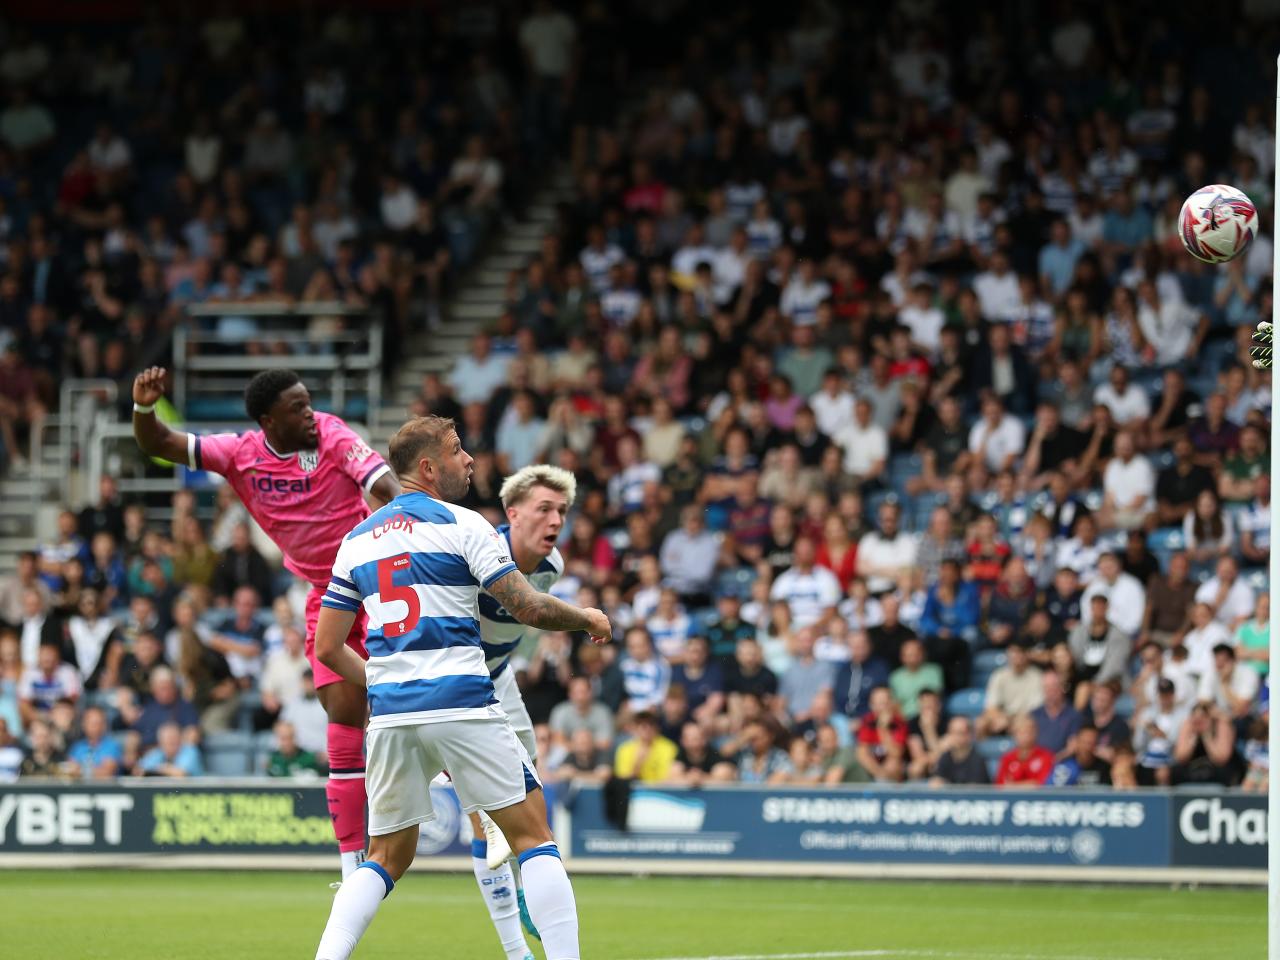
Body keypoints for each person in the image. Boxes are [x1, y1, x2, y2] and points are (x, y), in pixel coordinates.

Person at [311, 415, 609, 960]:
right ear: (428, 467)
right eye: (456, 450)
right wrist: (587, 616)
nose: (469, 459)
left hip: (394, 716)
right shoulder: (464, 525)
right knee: (534, 838)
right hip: (463, 701)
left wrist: (381, 681)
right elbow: (530, 607)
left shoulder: (355, 541)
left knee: (384, 857)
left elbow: (328, 649)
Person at [132, 366, 400, 881]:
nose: (310, 414)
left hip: (379, 581)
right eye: (298, 407)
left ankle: (472, 797)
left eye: (309, 402)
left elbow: (384, 485)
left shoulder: (333, 434)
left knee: (414, 703)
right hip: (328, 594)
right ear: (267, 420)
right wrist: (144, 408)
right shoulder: (240, 454)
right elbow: (161, 441)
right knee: (344, 716)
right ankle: (351, 865)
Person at [469, 464, 574, 951]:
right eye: (545, 509)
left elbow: (523, 624)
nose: (556, 520)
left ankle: (533, 880)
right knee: (482, 815)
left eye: (563, 511)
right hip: (456, 684)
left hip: (500, 678)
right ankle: (514, 948)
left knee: (527, 793)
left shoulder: (552, 569)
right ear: (512, 514)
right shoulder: (478, 550)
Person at [977, 640, 1044, 738]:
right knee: (980, 724)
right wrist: (1000, 718)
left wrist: (1009, 720)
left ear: (1026, 655)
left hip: (1024, 719)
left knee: (1024, 723)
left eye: (1020, 652)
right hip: (1001, 718)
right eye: (1013, 652)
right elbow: (990, 707)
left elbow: (1034, 711)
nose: (1016, 656)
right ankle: (981, 751)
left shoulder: (1037, 677)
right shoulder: (999, 675)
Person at [668, 721, 736, 785]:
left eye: (697, 738)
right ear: (682, 741)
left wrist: (702, 778)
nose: (694, 743)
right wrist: (689, 780)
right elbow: (671, 778)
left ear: (705, 739)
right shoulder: (679, 757)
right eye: (690, 739)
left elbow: (725, 776)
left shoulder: (715, 755)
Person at [995, 714, 1055, 787]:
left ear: (1035, 733)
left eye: (1028, 732)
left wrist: (1013, 786)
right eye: (1021, 732)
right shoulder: (1007, 758)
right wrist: (1028, 784)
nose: (1025, 736)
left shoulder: (1046, 756)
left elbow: (1042, 784)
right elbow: (1000, 785)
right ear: (1014, 734)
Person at [930, 716, 991, 786]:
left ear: (969, 735)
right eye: (952, 732)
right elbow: (936, 782)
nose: (954, 737)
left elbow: (974, 790)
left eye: (959, 733)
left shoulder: (977, 759)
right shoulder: (946, 757)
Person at [137, 721, 204, 777]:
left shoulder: (190, 750)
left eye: (174, 740)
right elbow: (139, 771)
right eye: (167, 741)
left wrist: (159, 769)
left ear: (180, 739)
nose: (171, 744)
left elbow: (180, 774)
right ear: (160, 743)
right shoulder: (157, 752)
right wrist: (164, 769)